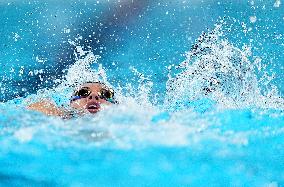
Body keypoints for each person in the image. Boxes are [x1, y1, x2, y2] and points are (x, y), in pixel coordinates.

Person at [27, 82, 117, 118]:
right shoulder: (58, 116)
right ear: (71, 103)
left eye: (105, 94)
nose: (93, 96)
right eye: (83, 92)